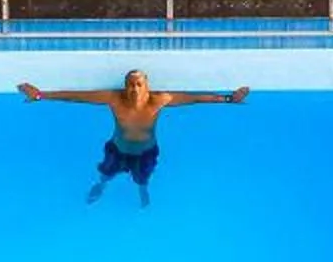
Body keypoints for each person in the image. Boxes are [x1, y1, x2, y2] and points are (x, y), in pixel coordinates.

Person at [16, 70, 250, 205]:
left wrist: (229, 99)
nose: (135, 89)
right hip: (117, 150)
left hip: (146, 154)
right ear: (125, 87)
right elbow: (77, 96)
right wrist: (40, 95)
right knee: (105, 174)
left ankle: (141, 189)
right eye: (130, 85)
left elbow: (196, 98)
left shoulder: (160, 101)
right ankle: (102, 185)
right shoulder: (114, 99)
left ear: (147, 87)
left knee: (142, 178)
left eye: (139, 84)